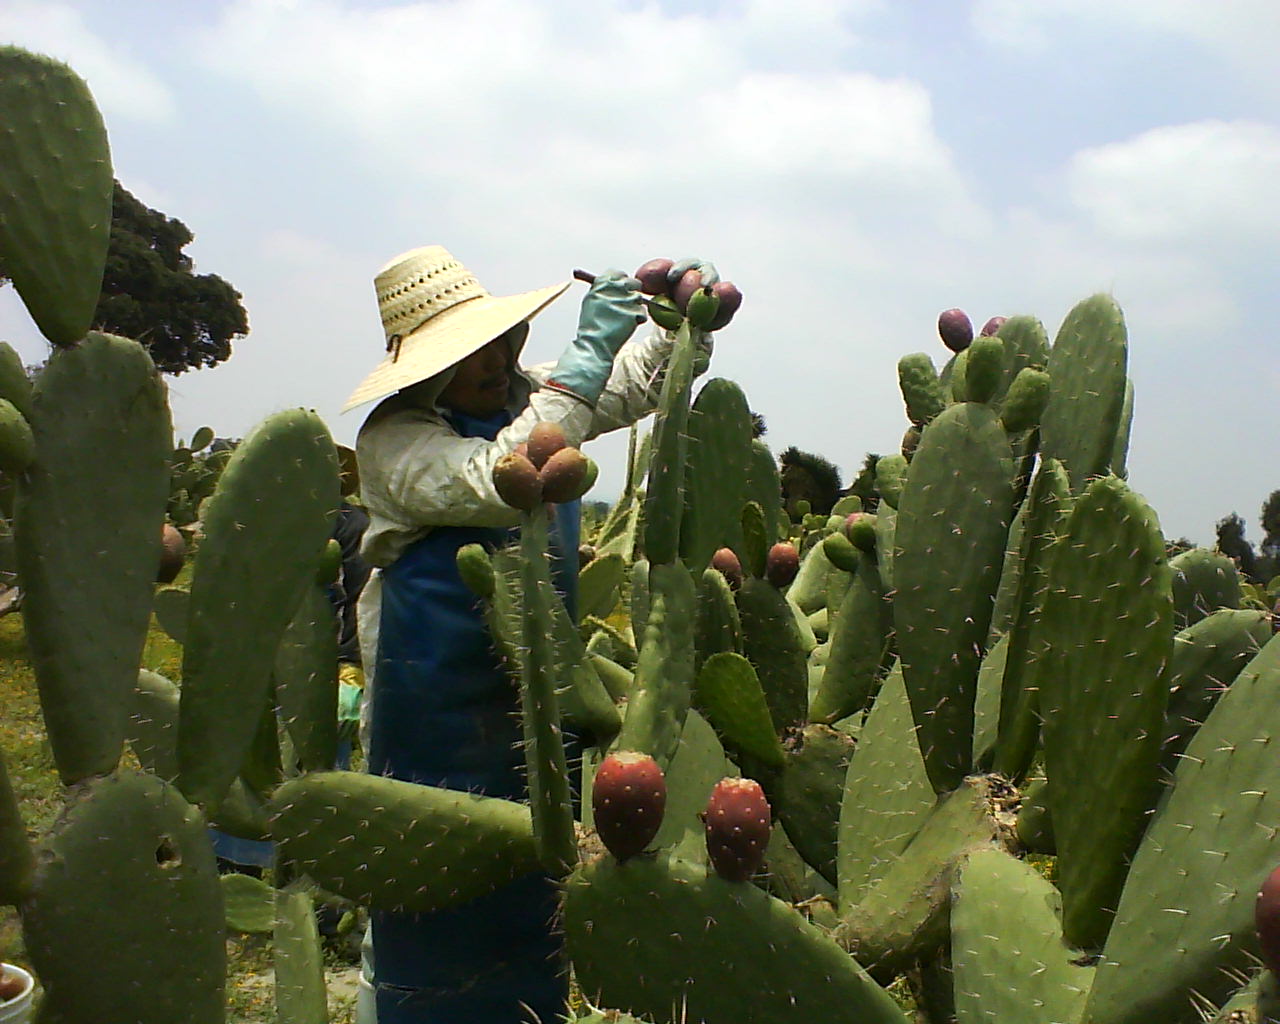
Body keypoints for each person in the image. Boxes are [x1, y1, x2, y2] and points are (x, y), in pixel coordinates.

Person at [343, 245, 719, 1024]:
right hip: (428, 710)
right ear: (423, 372)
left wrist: (672, 323)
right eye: (466, 351)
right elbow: (504, 473)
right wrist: (584, 357)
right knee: (429, 883)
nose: (493, 358)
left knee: (532, 875)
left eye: (496, 338)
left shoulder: (522, 391)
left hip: (534, 700)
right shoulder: (394, 439)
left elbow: (635, 386)